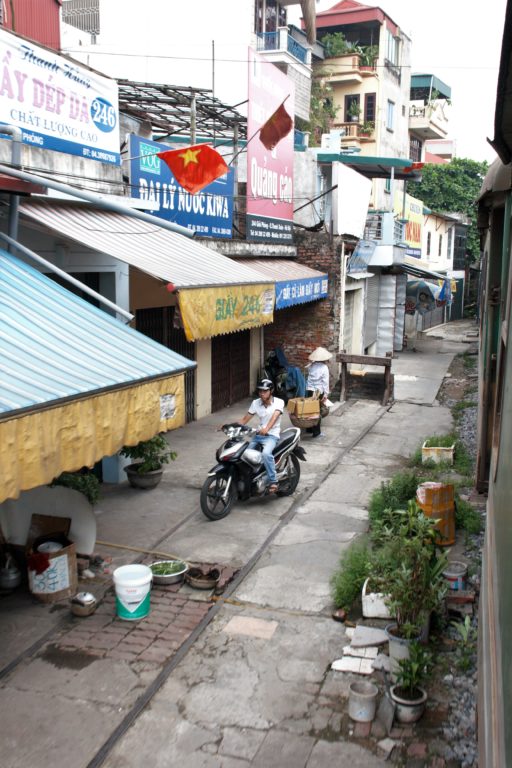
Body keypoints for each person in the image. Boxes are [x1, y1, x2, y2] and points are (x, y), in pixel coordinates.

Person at [238, 378, 284, 493]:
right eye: (260, 391)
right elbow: (245, 419)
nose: (262, 393)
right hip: (258, 435)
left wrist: (267, 429)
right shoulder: (256, 403)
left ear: (271, 391)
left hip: (272, 435)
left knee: (266, 454)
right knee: (243, 454)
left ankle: (273, 481)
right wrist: (230, 426)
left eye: (265, 391)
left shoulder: (279, 402)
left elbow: (275, 417)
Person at [305, 346, 332, 438]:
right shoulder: (324, 368)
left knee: (309, 409)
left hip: (309, 390)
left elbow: (308, 376)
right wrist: (326, 394)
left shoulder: (311, 366)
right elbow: (325, 382)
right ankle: (316, 432)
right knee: (317, 411)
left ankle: (309, 428)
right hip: (318, 392)